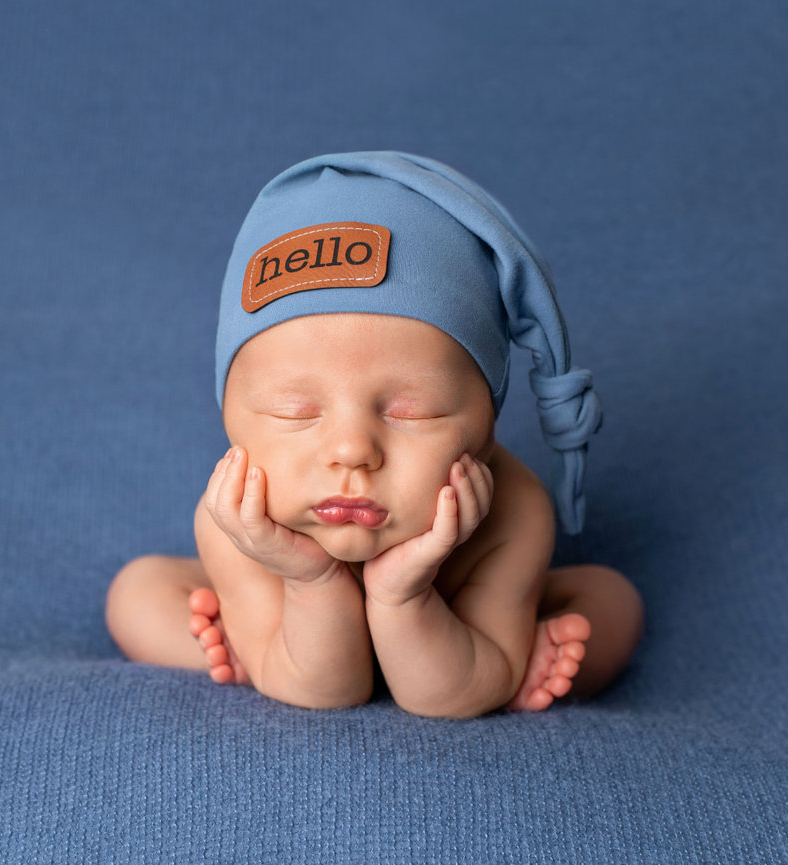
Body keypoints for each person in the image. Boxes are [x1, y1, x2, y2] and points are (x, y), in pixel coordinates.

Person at [106, 152, 643, 718]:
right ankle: (258, 648)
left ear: (487, 423)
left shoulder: (514, 513)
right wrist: (309, 579)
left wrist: (402, 593)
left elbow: (449, 699)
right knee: (137, 592)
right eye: (293, 411)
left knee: (612, 599)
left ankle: (505, 661)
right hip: (294, 626)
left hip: (455, 634)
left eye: (413, 411)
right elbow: (322, 690)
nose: (352, 451)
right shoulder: (240, 522)